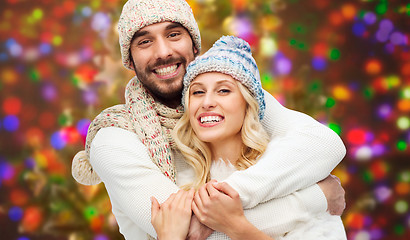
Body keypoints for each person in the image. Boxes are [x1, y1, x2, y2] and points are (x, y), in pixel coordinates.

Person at [71, 0, 347, 239]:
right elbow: (190, 231)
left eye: (174, 34)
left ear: (194, 44)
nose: (163, 51)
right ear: (130, 59)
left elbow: (324, 144)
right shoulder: (114, 137)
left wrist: (227, 199)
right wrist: (317, 197)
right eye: (145, 41)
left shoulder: (231, 93)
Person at [150, 35, 347, 240]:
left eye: (224, 90)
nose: (207, 102)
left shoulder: (289, 174)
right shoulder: (176, 185)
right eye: (198, 92)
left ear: (248, 105)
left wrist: (236, 226)